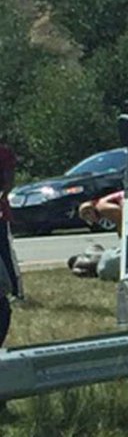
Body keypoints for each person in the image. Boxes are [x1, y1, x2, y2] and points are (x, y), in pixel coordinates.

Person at [0, 142, 19, 348]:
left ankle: (14, 289)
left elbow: (8, 178)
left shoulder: (3, 151)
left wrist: (4, 194)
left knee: (5, 253)